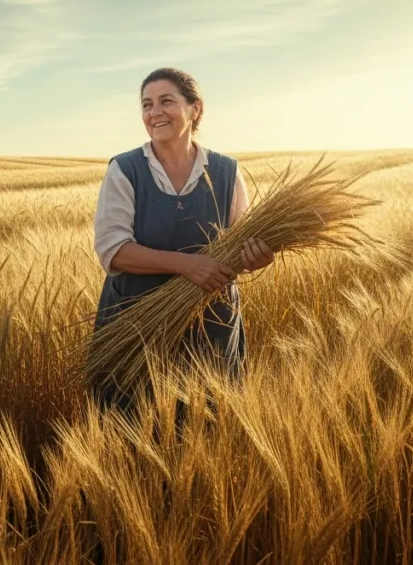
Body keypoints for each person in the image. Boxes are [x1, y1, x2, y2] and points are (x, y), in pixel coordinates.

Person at [89, 67, 275, 414]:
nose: (154, 112)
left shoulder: (226, 172)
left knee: (208, 426)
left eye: (166, 101)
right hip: (135, 327)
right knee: (130, 426)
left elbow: (239, 247)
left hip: (211, 327)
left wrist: (255, 257)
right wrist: (187, 265)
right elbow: (112, 251)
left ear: (195, 108)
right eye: (146, 105)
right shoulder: (125, 170)